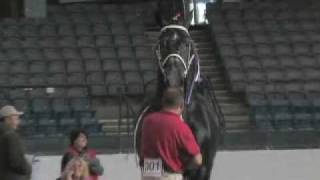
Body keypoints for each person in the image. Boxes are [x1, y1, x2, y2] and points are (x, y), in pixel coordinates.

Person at [140, 88, 202, 180]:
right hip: (169, 175)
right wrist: (184, 167)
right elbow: (198, 160)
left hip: (148, 174)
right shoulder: (181, 127)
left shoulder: (147, 121)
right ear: (181, 106)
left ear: (163, 103)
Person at [0, 105, 32, 180]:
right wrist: (27, 169)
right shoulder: (11, 136)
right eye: (16, 119)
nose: (18, 121)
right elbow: (16, 162)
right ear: (7, 119)